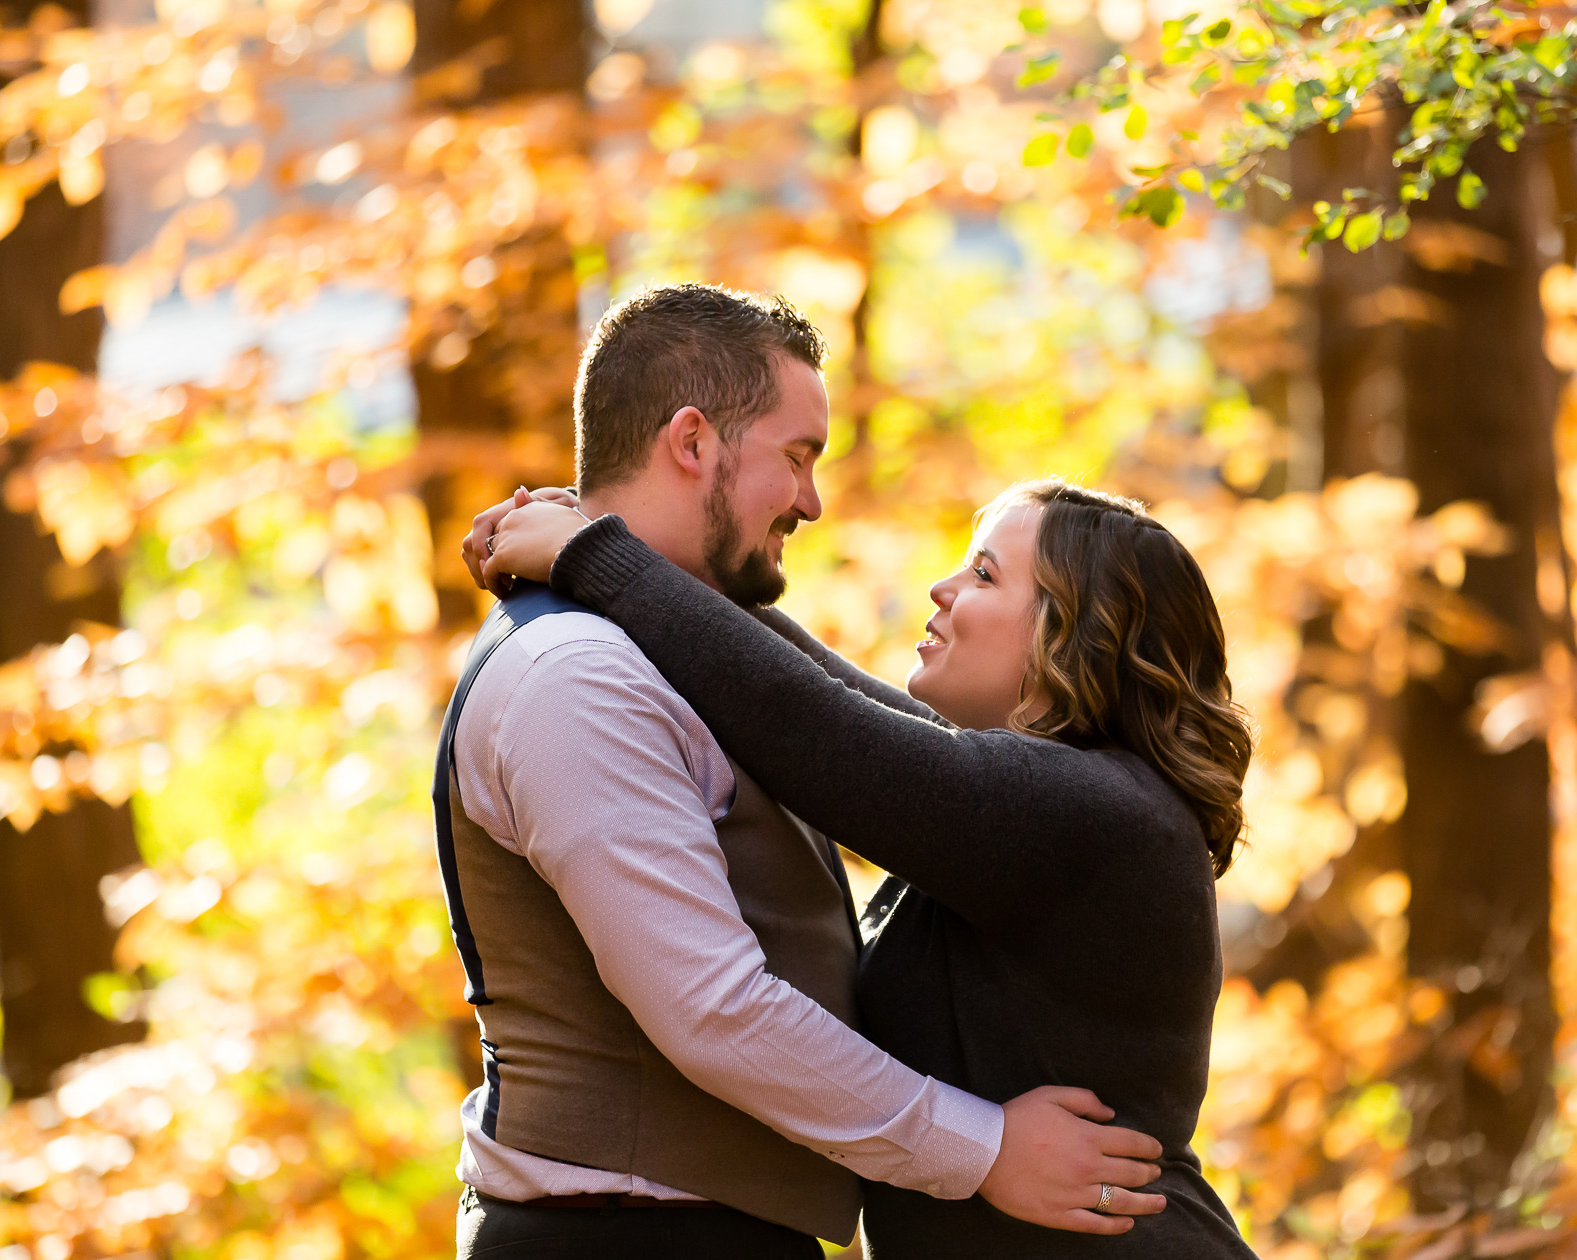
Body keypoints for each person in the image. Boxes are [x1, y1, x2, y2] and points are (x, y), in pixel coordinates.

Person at [440, 283, 1167, 1260]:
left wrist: (594, 548)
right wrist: (986, 1149)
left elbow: (872, 747)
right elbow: (715, 1010)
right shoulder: (578, 678)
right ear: (693, 443)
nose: (814, 502)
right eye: (798, 457)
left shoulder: (673, 652)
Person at [477, 471, 1260, 1259]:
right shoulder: (1030, 820)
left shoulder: (1098, 815)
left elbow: (812, 727)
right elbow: (819, 692)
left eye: (984, 573)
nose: (941, 587)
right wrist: (602, 535)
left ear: (1079, 635)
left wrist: (592, 553)